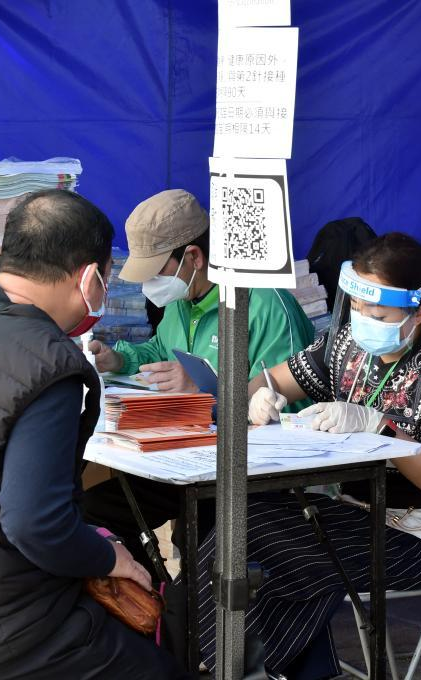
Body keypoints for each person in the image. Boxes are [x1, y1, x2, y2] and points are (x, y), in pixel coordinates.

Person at [198, 232, 421, 678]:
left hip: (418, 538)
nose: (364, 320)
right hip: (354, 511)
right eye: (356, 306)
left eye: (379, 314)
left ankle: (229, 663)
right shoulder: (347, 345)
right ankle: (243, 663)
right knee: (238, 515)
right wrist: (261, 394)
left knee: (255, 534)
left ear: (419, 312)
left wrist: (382, 428)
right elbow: (271, 380)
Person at [0, 189, 186, 679]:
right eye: (105, 278)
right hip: (10, 627)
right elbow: (35, 523)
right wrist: (108, 557)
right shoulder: (47, 364)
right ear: (89, 278)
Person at [83, 188, 315, 578]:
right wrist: (118, 359)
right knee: (96, 511)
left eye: (156, 272)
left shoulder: (264, 305)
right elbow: (159, 350)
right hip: (185, 460)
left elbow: (294, 403)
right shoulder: (180, 301)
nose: (149, 285)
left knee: (206, 542)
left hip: (249, 472)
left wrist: (207, 393)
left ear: (193, 257)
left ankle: (183, 606)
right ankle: (153, 595)